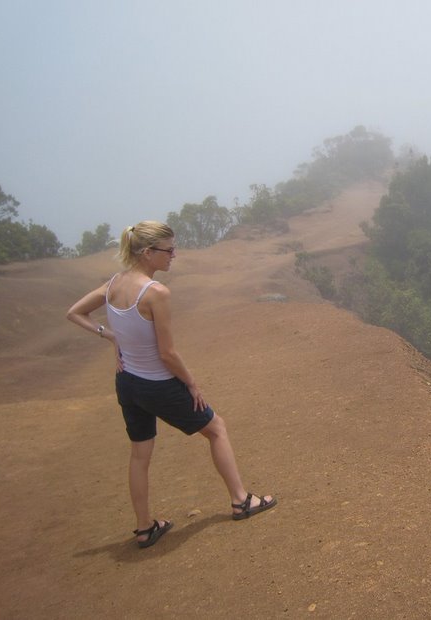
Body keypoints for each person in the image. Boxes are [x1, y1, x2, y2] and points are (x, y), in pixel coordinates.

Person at [67, 221, 276, 548]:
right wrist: (191, 384)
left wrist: (111, 338)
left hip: (127, 383)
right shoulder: (156, 293)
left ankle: (144, 527)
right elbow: (168, 353)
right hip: (158, 383)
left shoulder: (113, 284)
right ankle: (241, 500)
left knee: (139, 454)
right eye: (168, 250)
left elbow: (75, 313)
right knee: (216, 428)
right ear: (148, 253)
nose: (174, 255)